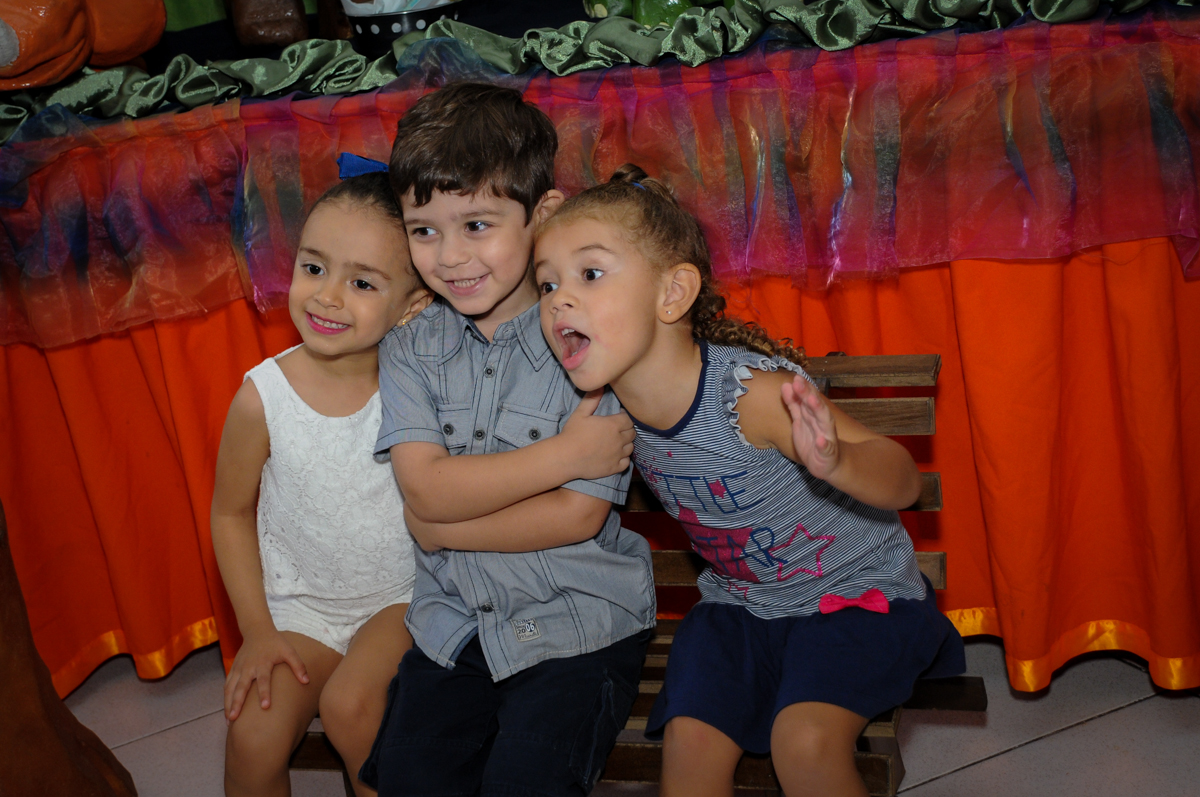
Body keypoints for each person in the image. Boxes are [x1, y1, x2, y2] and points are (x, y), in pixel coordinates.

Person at [533, 164, 966, 797]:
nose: (559, 299)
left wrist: (836, 462)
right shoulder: (605, 411)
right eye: (546, 285)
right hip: (740, 606)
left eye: (589, 274)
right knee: (689, 746)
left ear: (673, 294)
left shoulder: (751, 397)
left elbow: (902, 481)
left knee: (805, 744)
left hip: (855, 599)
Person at [364, 83, 657, 796]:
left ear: (542, 213)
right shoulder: (409, 350)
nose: (450, 255)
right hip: (453, 627)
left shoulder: (590, 338)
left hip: (579, 622)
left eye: (477, 224)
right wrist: (563, 456)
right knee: (410, 780)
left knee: (525, 782)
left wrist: (440, 523)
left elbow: (575, 516)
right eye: (424, 228)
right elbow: (424, 490)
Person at [211, 170, 433, 797]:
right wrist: (257, 631)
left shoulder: (417, 389)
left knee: (353, 708)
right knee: (251, 737)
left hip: (400, 599)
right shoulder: (262, 398)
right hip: (297, 611)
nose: (328, 296)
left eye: (362, 282)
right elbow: (229, 514)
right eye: (314, 268)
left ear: (412, 305)